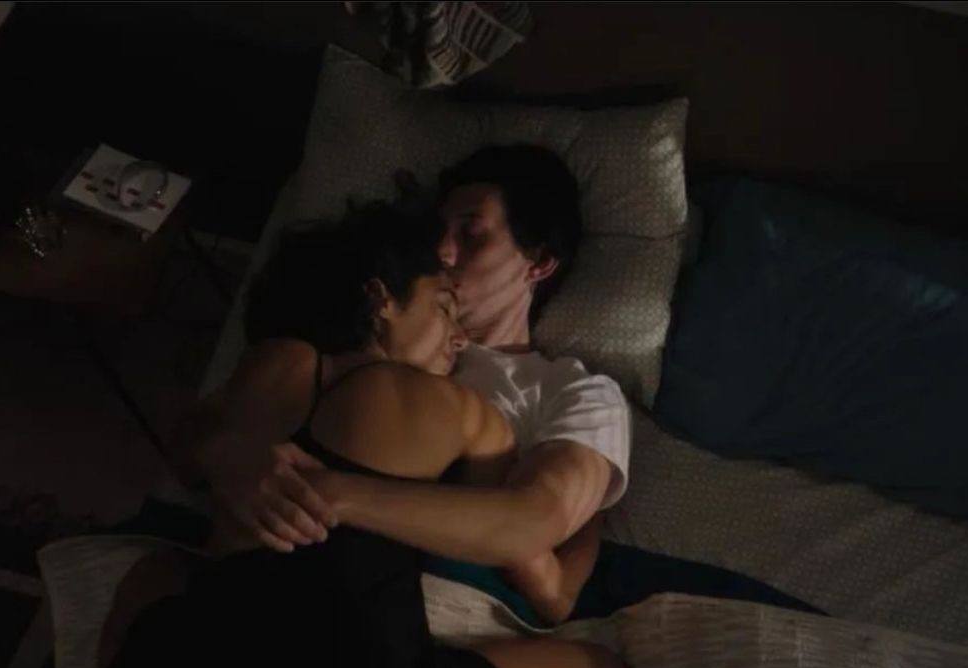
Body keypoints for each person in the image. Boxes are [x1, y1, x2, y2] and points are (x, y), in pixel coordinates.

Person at [104, 201, 637, 668]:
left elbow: (186, 454)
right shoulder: (452, 408)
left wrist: (226, 455)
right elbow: (538, 565)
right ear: (380, 299)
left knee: (153, 573)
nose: (460, 336)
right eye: (444, 307)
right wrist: (592, 520)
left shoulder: (275, 363)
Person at [181, 145, 632, 626]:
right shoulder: (365, 327)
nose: (443, 251)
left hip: (433, 603)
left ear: (538, 262)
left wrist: (331, 493)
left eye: (471, 233)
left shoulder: (575, 392)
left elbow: (541, 539)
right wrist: (228, 454)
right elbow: (206, 426)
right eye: (439, 233)